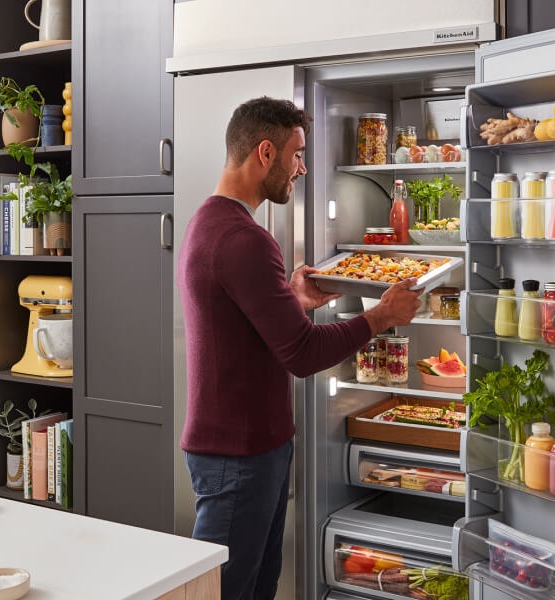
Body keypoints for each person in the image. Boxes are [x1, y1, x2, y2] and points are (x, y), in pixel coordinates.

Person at [176, 96, 420, 599]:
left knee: (255, 586)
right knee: (225, 593)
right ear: (266, 153)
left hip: (243, 448)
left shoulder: (211, 222)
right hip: (237, 455)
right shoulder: (245, 238)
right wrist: (380, 316)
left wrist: (293, 299)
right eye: (297, 155)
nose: (302, 168)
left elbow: (245, 326)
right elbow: (303, 354)